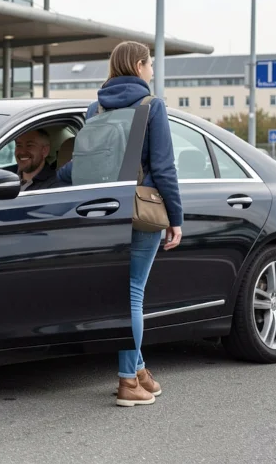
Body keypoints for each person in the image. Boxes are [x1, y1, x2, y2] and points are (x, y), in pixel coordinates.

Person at [57, 40, 183, 407]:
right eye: (150, 64)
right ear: (139, 66)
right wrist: (176, 218)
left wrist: (47, 183)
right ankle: (128, 381)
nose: (152, 70)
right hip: (140, 209)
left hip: (99, 209)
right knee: (133, 293)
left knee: (122, 292)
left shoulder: (95, 108)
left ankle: (139, 370)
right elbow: (164, 167)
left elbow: (82, 163)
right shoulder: (151, 106)